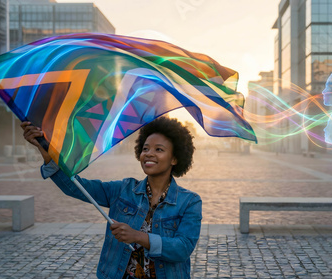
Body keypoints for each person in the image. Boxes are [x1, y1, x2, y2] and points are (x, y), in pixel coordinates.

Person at [21, 117, 202, 279]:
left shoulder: (190, 202)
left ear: (175, 159)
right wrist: (46, 153)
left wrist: (137, 236)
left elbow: (182, 248)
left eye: (159, 149)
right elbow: (76, 187)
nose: (149, 154)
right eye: (145, 148)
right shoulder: (122, 190)